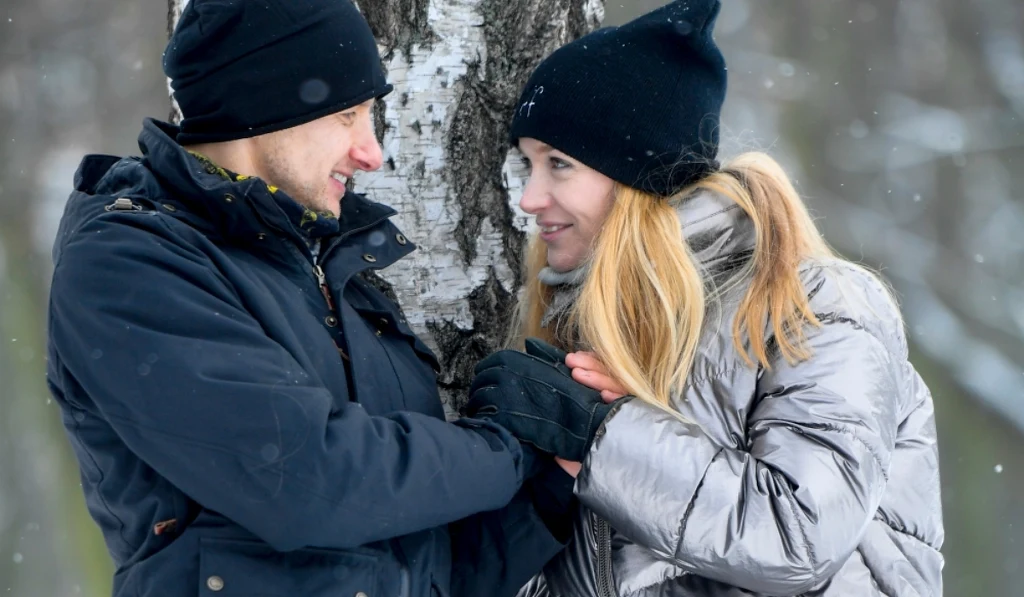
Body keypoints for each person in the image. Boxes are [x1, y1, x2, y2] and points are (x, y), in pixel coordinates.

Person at [44, 1, 577, 595]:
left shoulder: (322, 263)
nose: (371, 153)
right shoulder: (129, 264)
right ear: (264, 104)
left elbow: (415, 565)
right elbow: (307, 482)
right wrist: (505, 448)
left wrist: (552, 479)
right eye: (348, 115)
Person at [464, 1, 945, 595]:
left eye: (559, 164)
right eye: (527, 165)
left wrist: (602, 436)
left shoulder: (814, 306)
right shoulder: (584, 325)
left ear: (637, 173)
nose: (530, 197)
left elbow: (798, 536)